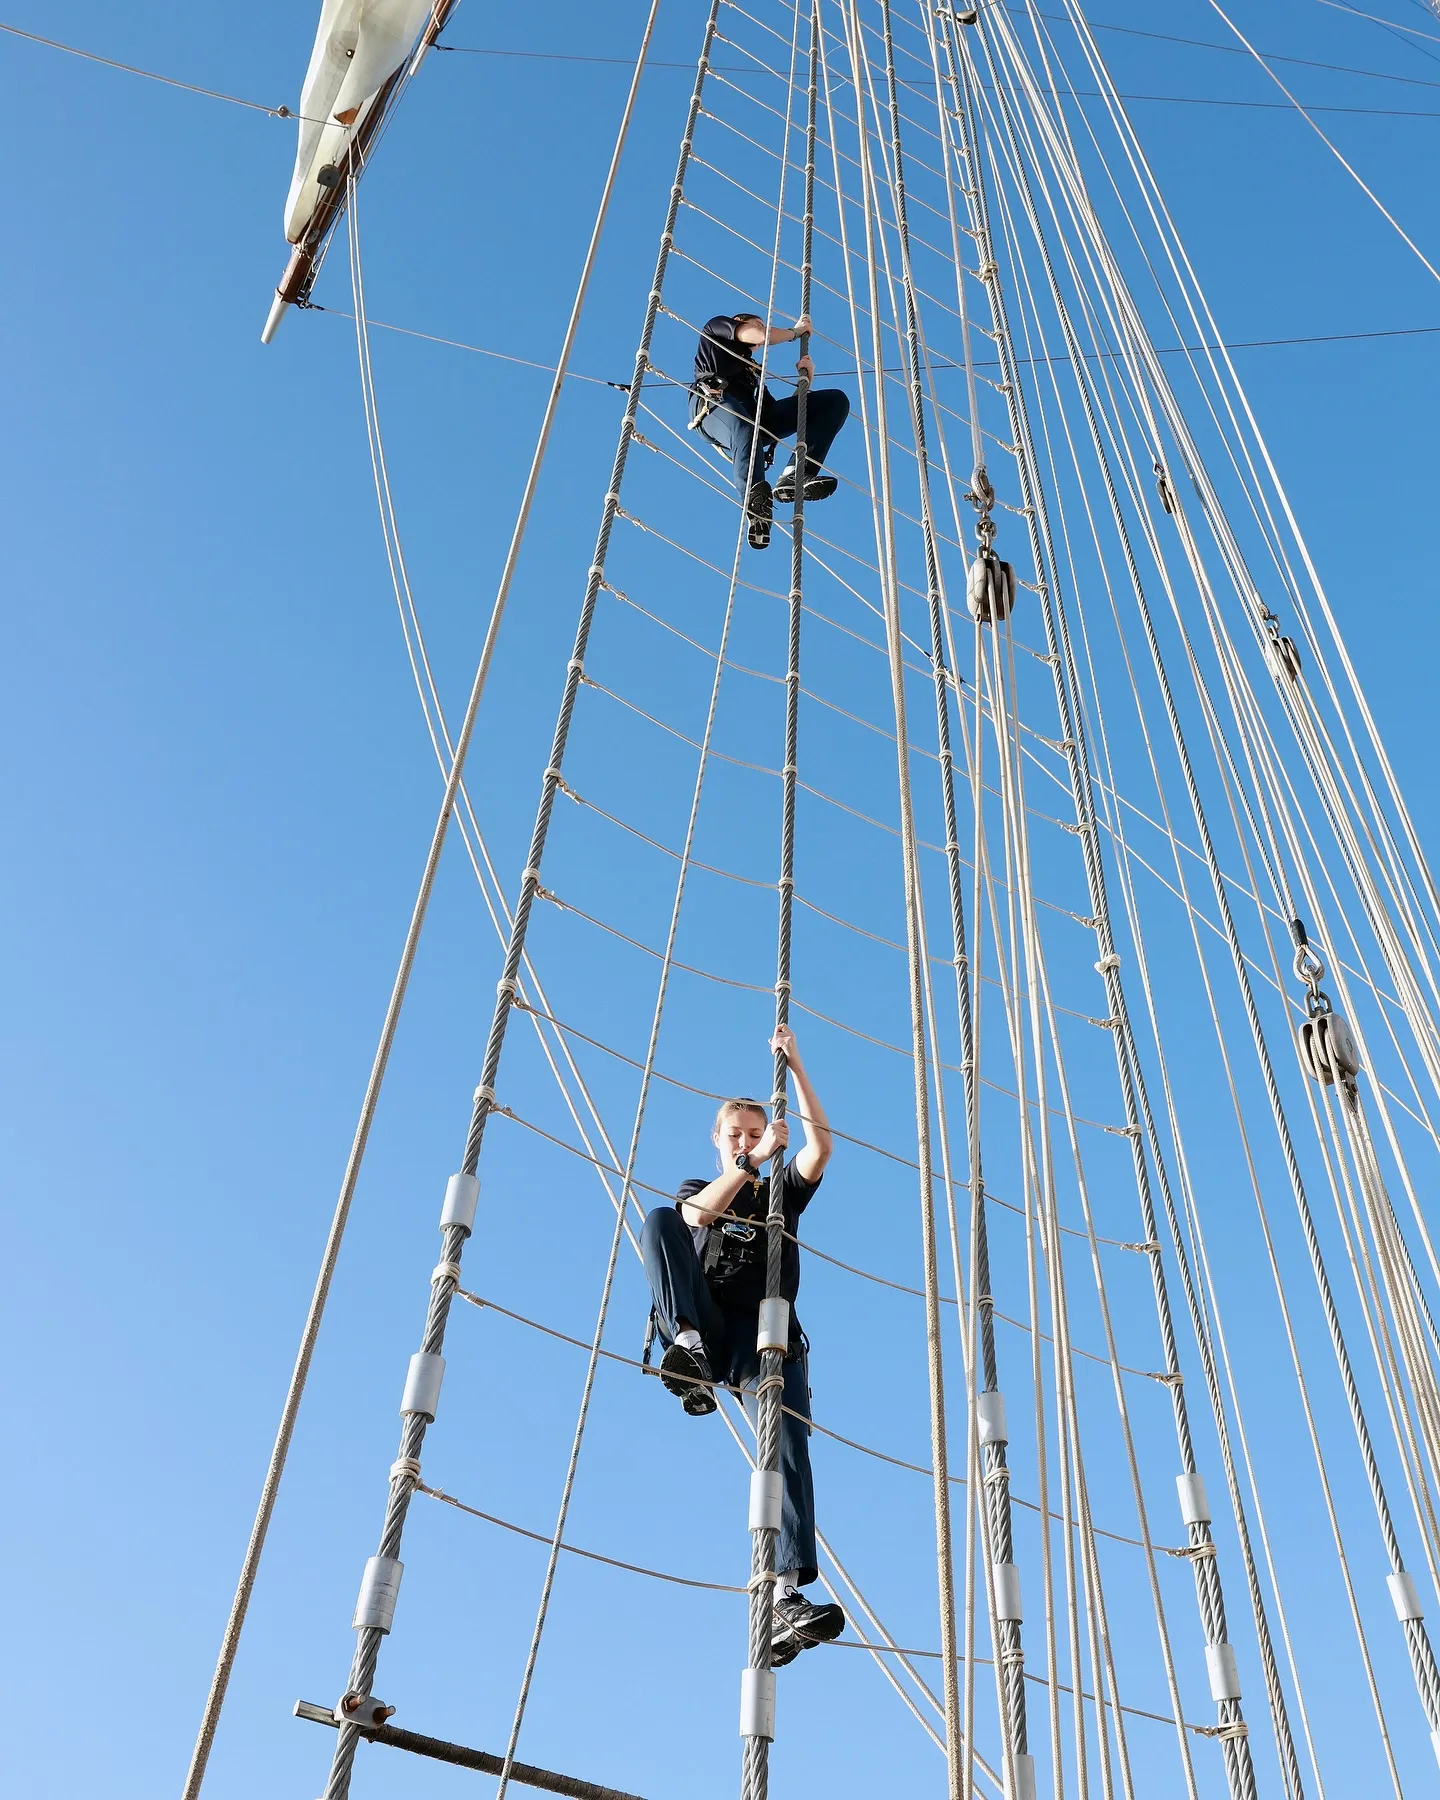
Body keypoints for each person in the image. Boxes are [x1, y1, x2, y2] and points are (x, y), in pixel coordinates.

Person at [640, 1024, 846, 1667]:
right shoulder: (706, 1187)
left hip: (767, 1333)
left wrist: (797, 1064)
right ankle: (688, 1350)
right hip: (711, 1322)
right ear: (719, 1138)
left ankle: (785, 1595)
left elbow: (822, 1147)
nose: (747, 1141)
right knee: (659, 1220)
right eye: (737, 1133)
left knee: (787, 1445)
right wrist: (747, 1165)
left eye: (756, 1133)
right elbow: (698, 1218)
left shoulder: (778, 1192)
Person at [689, 310, 850, 550]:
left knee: (834, 402)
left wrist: (806, 382)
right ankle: (756, 505)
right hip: (713, 407)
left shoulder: (752, 373)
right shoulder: (717, 328)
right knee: (743, 425)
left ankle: (796, 474)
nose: (762, 330)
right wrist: (795, 332)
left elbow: (781, 415)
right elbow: (762, 336)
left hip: (750, 418)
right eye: (758, 324)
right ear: (740, 322)